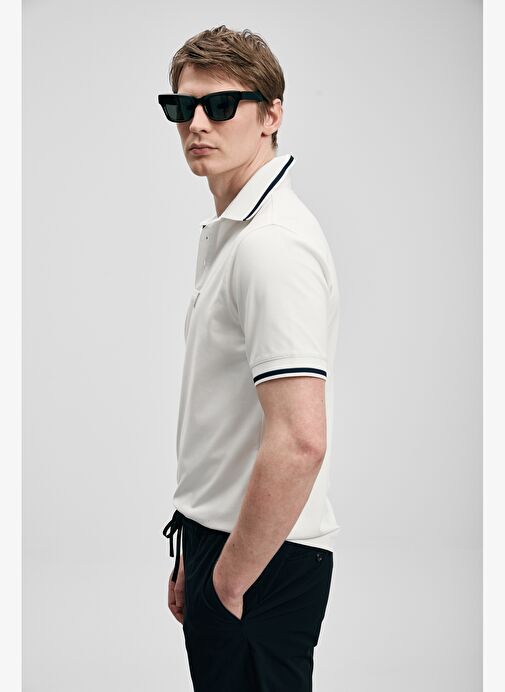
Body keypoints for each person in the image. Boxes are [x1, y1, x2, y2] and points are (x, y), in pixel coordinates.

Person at [158, 24, 342, 692]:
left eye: (220, 105)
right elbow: (228, 421)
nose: (197, 123)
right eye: (181, 107)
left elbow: (299, 440)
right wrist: (195, 547)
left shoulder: (271, 246)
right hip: (228, 539)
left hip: (262, 559)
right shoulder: (239, 235)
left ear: (271, 115)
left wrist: (230, 578)